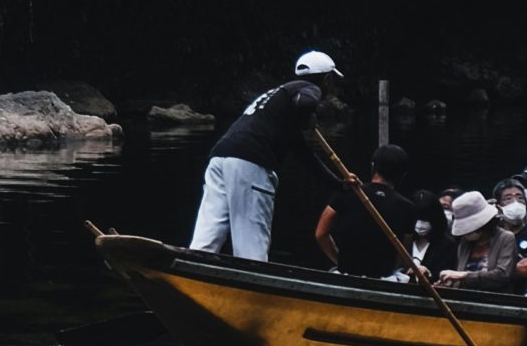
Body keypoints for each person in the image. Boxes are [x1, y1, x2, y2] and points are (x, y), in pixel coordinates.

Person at [190, 52, 338, 260]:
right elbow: (305, 102)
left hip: (220, 157)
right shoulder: (307, 89)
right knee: (251, 247)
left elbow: (304, 155)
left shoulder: (276, 98)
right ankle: (253, 283)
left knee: (206, 239)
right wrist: (309, 116)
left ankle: (195, 268)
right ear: (327, 78)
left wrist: (337, 184)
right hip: (250, 163)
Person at [314, 143, 415, 276]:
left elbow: (321, 234)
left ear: (373, 166)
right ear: (403, 174)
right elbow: (403, 252)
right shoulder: (408, 207)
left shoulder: (349, 192)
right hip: (384, 276)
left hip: (347, 272)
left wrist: (339, 260)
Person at [437, 190, 521, 290]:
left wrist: (464, 275)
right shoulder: (465, 241)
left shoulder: (505, 238)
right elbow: (459, 269)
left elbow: (502, 275)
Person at [493, 178, 527, 288]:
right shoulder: (492, 235)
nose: (516, 202)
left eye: (520, 198)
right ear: (498, 206)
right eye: (508, 198)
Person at [407, 192, 455, 278]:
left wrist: (429, 274)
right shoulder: (403, 238)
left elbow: (446, 273)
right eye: (417, 219)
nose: (420, 225)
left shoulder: (447, 244)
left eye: (426, 220)